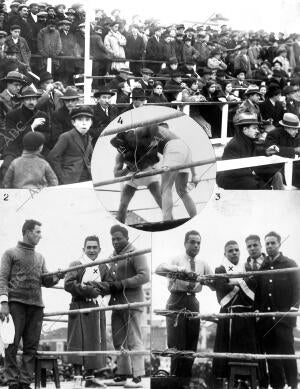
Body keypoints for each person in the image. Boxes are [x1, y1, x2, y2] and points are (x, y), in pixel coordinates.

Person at [0, 219, 63, 389]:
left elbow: (46, 280)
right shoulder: (10, 253)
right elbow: (2, 279)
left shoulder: (40, 257)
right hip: (16, 305)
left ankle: (24, 382)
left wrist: (58, 275)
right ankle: (12, 381)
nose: (40, 236)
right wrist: (4, 302)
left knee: (31, 347)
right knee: (11, 345)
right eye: (38, 232)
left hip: (36, 306)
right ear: (27, 232)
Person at [155, 230, 213, 388]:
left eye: (198, 243)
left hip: (193, 301)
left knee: (191, 345)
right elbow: (159, 268)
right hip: (176, 300)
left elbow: (214, 285)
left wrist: (207, 280)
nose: (196, 245)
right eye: (192, 242)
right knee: (176, 346)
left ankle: (185, 384)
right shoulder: (176, 259)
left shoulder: (203, 264)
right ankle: (175, 383)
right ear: (185, 243)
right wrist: (181, 271)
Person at [99, 225, 150, 388]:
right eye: (113, 239)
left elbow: (144, 276)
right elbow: (110, 281)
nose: (115, 242)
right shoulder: (112, 256)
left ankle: (138, 376)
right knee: (118, 340)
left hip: (132, 302)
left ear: (127, 238)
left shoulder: (136, 252)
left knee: (134, 339)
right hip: (117, 304)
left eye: (118, 238)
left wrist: (121, 284)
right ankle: (122, 374)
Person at [64, 235, 111, 388]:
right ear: (83, 249)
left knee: (94, 341)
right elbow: (69, 284)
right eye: (89, 247)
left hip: (96, 308)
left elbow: (110, 285)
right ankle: (77, 379)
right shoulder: (76, 264)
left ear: (99, 249)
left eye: (94, 247)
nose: (91, 250)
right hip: (79, 306)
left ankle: (90, 379)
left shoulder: (104, 267)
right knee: (77, 342)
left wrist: (96, 288)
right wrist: (90, 290)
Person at [255, 231, 300, 389]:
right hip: (267, 320)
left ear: (279, 244)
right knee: (272, 358)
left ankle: (294, 385)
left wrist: (293, 309)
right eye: (267, 243)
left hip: (284, 319)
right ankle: (277, 386)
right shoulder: (263, 266)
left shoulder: (290, 264)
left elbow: (297, 289)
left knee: (287, 354)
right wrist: (258, 311)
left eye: (273, 243)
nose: (269, 246)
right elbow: (259, 292)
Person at [212, 241, 259, 387]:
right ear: (225, 253)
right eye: (230, 250)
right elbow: (221, 288)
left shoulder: (247, 267)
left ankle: (245, 381)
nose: (234, 252)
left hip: (246, 315)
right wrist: (239, 284)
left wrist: (232, 283)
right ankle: (229, 381)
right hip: (229, 313)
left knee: (247, 352)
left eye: (237, 250)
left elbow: (253, 288)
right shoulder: (220, 268)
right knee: (227, 351)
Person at [135, 122, 201, 220]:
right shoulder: (172, 137)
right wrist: (195, 174)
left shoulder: (151, 133)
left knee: (165, 188)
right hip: (185, 150)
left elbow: (145, 155)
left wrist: (137, 169)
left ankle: (167, 222)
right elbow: (188, 159)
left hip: (174, 149)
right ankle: (195, 218)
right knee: (182, 190)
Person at [216, 113, 281, 190]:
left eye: (257, 128)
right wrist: (254, 174)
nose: (257, 131)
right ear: (245, 130)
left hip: (246, 174)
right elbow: (233, 169)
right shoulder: (234, 145)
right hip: (231, 178)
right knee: (256, 185)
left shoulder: (249, 140)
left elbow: (257, 151)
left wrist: (266, 151)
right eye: (254, 128)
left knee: (276, 174)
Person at [110, 129, 162, 223]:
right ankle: (121, 225)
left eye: (133, 138)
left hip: (148, 173)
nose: (132, 141)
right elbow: (116, 174)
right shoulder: (121, 154)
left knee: (161, 200)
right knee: (123, 204)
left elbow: (156, 151)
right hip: (132, 177)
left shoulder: (143, 144)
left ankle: (171, 222)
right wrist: (128, 169)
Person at [0, 86, 50, 183]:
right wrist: (32, 127)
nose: (32, 101)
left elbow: (47, 136)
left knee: (48, 165)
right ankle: (6, 195)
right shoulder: (12, 115)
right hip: (14, 149)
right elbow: (11, 136)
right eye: (28, 99)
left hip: (36, 149)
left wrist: (36, 141)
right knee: (7, 167)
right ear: (22, 100)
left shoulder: (42, 115)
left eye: (34, 99)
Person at [47, 106, 93, 184]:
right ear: (73, 123)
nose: (84, 123)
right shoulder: (66, 136)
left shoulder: (89, 137)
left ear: (91, 123)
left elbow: (91, 156)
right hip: (70, 179)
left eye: (87, 120)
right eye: (80, 120)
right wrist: (62, 176)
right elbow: (52, 157)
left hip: (88, 177)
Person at [264, 112, 300, 187]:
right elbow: (270, 150)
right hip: (279, 168)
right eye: (294, 129)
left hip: (295, 167)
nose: (297, 131)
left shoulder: (297, 134)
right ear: (286, 127)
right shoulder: (274, 134)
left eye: (297, 129)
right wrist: (293, 150)